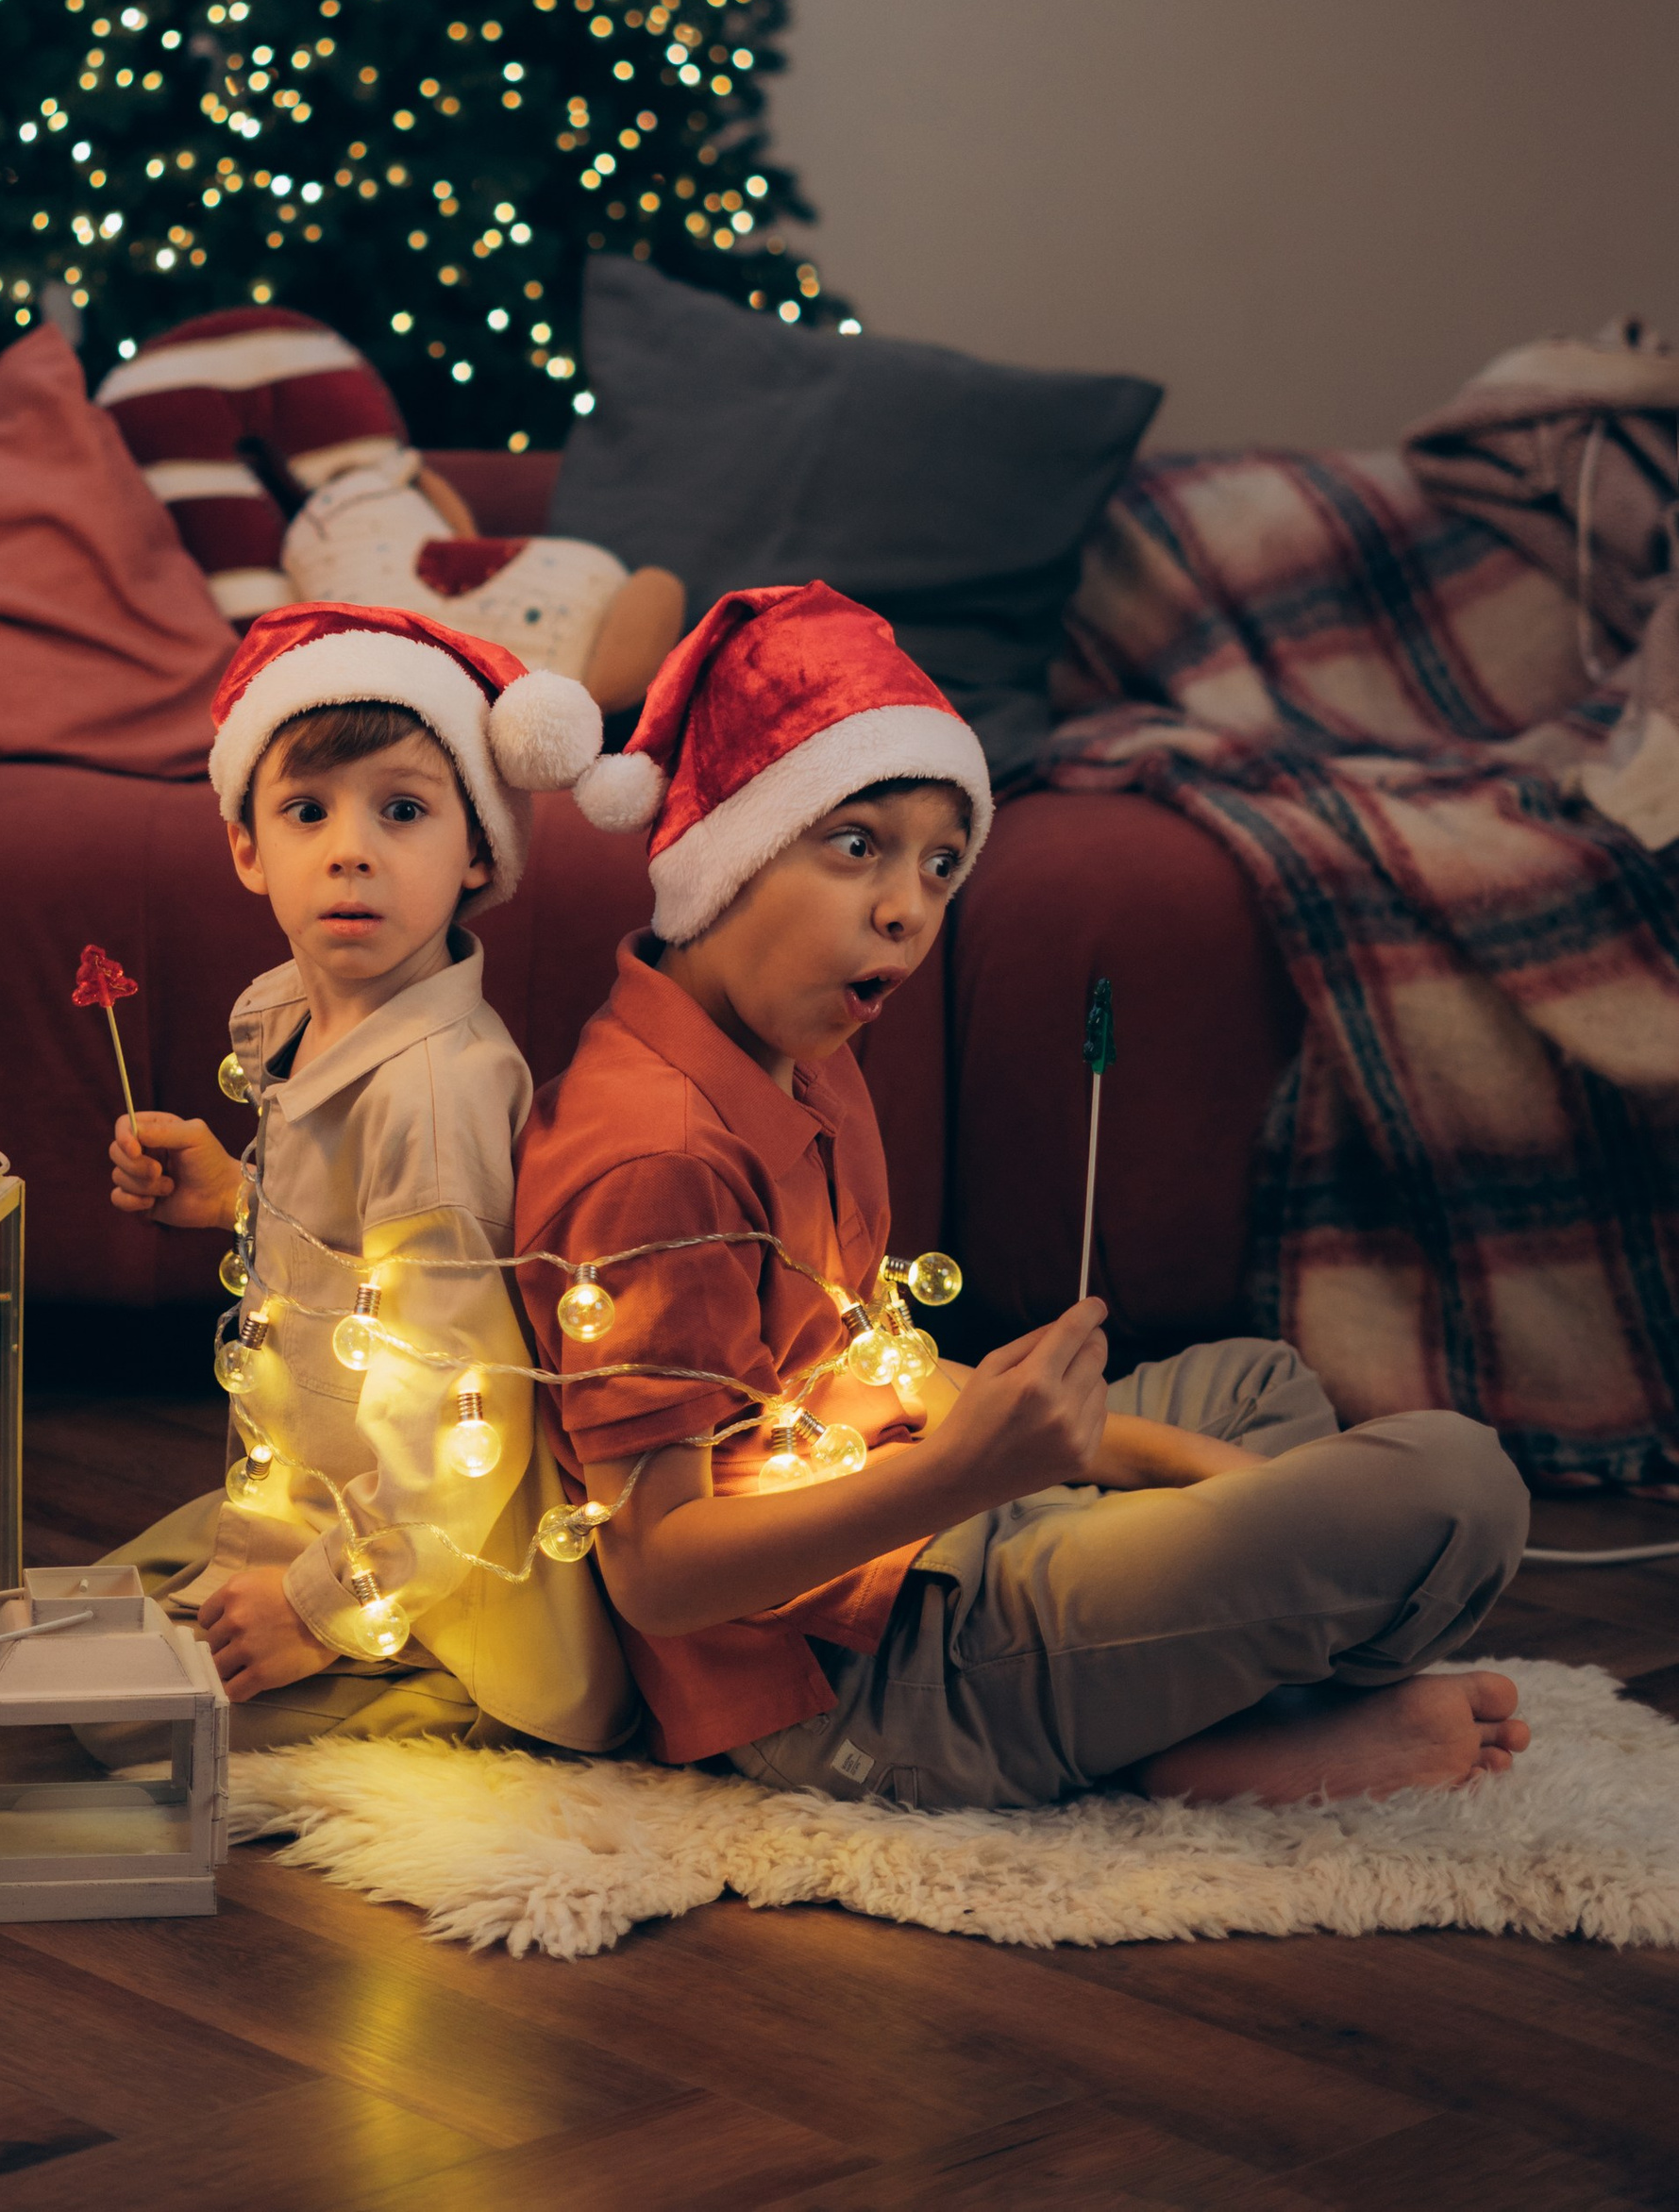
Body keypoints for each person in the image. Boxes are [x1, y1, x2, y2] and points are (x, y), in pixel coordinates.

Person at [516, 581, 1532, 1808]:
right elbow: (659, 1581)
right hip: (843, 1680)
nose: (907, 908)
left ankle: (1166, 1693)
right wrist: (976, 1479)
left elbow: (846, 1373)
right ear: (727, 847)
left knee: (1259, 1392)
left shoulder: (806, 1057)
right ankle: (1179, 1736)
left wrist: (1184, 1482)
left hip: (920, 1522)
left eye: (943, 866)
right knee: (1452, 1482)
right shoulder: (657, 1160)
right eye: (857, 846)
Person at [107, 599, 633, 1754]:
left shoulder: (435, 1093)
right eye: (307, 811)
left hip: (435, 1586)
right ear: (250, 847)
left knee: (118, 1725)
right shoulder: (302, 1022)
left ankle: (458, 1708)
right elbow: (359, 1267)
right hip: (316, 1494)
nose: (350, 848)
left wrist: (318, 1610)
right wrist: (236, 1202)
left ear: (478, 852)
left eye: (402, 811)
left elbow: (464, 1417)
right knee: (84, 1611)